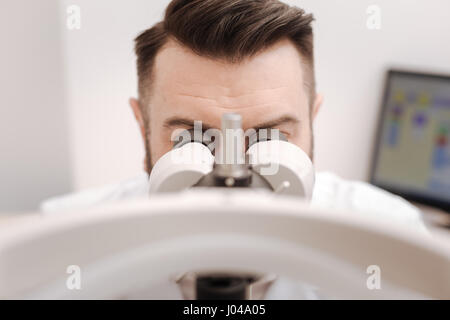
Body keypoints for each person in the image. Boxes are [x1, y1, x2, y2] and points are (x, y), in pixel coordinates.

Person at [42, 0, 426, 235]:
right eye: (190, 140)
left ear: (313, 119)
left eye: (270, 139)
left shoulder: (392, 236)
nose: (233, 176)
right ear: (142, 124)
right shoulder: (64, 238)